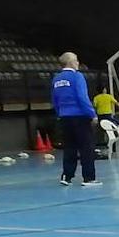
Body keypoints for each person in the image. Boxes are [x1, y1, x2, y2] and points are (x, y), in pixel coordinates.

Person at [51, 51, 100, 186]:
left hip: (64, 117)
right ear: (70, 62)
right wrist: (92, 114)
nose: (78, 62)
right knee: (86, 148)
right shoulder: (77, 77)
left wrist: (60, 114)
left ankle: (67, 176)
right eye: (76, 60)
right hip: (80, 116)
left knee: (69, 148)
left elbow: (55, 100)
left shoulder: (56, 79)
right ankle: (89, 178)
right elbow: (82, 97)